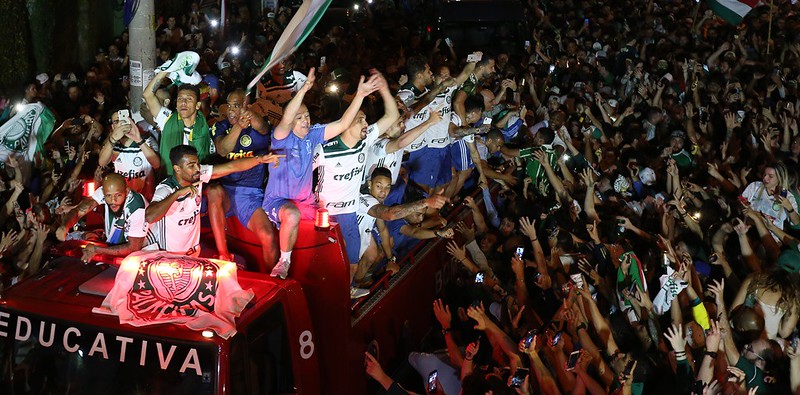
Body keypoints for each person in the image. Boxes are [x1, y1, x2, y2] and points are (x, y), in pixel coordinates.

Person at [262, 68, 379, 279]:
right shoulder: (281, 137)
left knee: (332, 219)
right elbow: (287, 119)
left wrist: (360, 96)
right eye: (300, 118)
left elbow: (343, 124)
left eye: (307, 116)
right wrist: (304, 89)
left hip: (307, 202)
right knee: (291, 214)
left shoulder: (313, 135)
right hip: (279, 201)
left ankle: (338, 276)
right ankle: (283, 262)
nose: (305, 120)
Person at [312, 71, 399, 297]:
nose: (365, 123)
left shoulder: (364, 140)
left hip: (350, 213)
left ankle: (344, 295)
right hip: (326, 216)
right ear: (346, 123)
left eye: (365, 119)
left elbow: (392, 116)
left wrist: (384, 89)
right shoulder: (324, 150)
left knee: (352, 263)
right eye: (360, 119)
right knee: (325, 264)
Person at [145, 145, 282, 256]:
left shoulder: (198, 175)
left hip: (192, 255)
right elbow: (150, 216)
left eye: (197, 164)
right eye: (191, 166)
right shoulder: (166, 188)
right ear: (177, 169)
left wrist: (260, 160)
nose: (197, 169)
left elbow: (231, 167)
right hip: (167, 257)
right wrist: (177, 194)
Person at [207, 89, 277, 270]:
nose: (230, 110)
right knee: (213, 191)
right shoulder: (220, 126)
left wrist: (249, 115)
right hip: (226, 191)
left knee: (268, 237)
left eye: (236, 106)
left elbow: (262, 127)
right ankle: (223, 255)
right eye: (229, 105)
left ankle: (273, 281)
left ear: (248, 107)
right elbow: (223, 150)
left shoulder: (260, 127)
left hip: (251, 195)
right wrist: (238, 125)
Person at [355, 167, 449, 285]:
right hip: (350, 245)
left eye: (387, 187)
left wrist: (390, 260)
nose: (383, 192)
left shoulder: (379, 202)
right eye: (379, 186)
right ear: (370, 184)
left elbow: (383, 230)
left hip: (360, 247)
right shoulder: (365, 200)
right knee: (370, 256)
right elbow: (394, 218)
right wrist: (425, 203)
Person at [54, 173, 150, 263]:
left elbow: (133, 247)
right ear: (103, 192)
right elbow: (79, 210)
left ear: (127, 190)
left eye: (118, 195)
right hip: (117, 246)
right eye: (108, 196)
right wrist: (65, 226)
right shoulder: (103, 192)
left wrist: (97, 249)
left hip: (144, 251)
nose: (113, 200)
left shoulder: (136, 206)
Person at [143, 70, 213, 175]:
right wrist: (165, 70)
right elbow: (148, 94)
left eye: (189, 99)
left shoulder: (206, 128)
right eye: (180, 99)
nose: (184, 103)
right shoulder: (167, 119)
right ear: (176, 104)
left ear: (197, 105)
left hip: (197, 184)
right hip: (170, 184)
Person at [98, 108, 161, 199]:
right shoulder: (112, 145)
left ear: (132, 122)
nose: (121, 124)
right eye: (116, 122)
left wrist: (138, 140)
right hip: (124, 199)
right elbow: (102, 162)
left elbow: (156, 164)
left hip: (145, 199)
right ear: (112, 127)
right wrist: (113, 139)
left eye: (123, 120)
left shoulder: (147, 141)